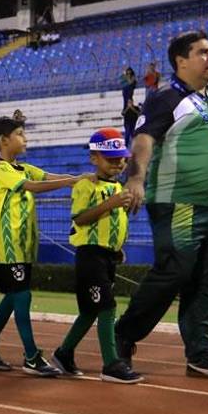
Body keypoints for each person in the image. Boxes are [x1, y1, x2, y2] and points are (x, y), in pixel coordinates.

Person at [116, 31, 208, 380]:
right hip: (178, 204)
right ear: (181, 61)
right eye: (203, 52)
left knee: (207, 283)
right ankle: (122, 335)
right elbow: (143, 141)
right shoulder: (164, 99)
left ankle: (202, 355)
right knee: (174, 272)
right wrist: (136, 179)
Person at [0, 117, 83, 376]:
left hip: (22, 242)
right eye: (20, 134)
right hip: (6, 241)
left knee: (14, 296)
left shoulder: (23, 168)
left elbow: (47, 176)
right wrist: (69, 182)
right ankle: (32, 356)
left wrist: (79, 178)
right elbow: (33, 186)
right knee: (22, 295)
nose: (26, 138)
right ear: (4, 140)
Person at [50, 128, 143, 384]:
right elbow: (80, 218)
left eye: (121, 159)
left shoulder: (118, 187)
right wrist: (110, 204)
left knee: (90, 311)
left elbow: (114, 223)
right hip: (90, 256)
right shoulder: (86, 185)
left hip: (107, 256)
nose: (118, 164)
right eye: (111, 159)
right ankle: (111, 363)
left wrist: (116, 247)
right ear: (94, 158)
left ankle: (63, 354)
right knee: (107, 306)